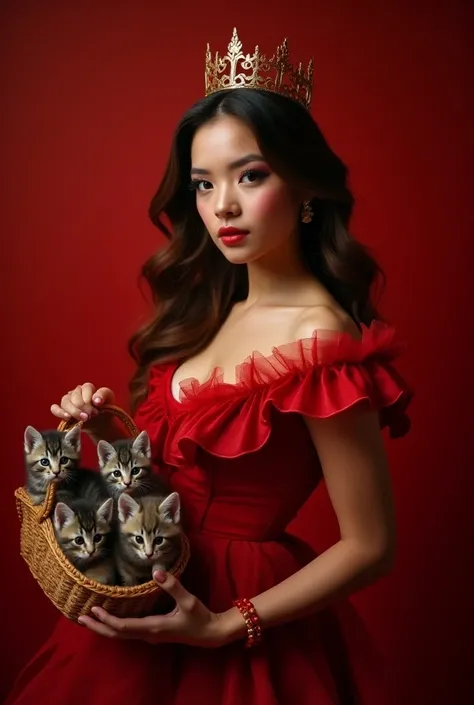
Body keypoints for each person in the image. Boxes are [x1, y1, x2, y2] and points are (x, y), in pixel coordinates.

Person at [8, 28, 412, 705]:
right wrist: (106, 426)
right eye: (203, 183)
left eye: (250, 175)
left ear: (305, 190)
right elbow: (185, 475)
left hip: (228, 616)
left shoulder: (322, 338)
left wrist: (231, 622)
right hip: (148, 581)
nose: (221, 205)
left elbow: (373, 543)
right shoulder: (219, 305)